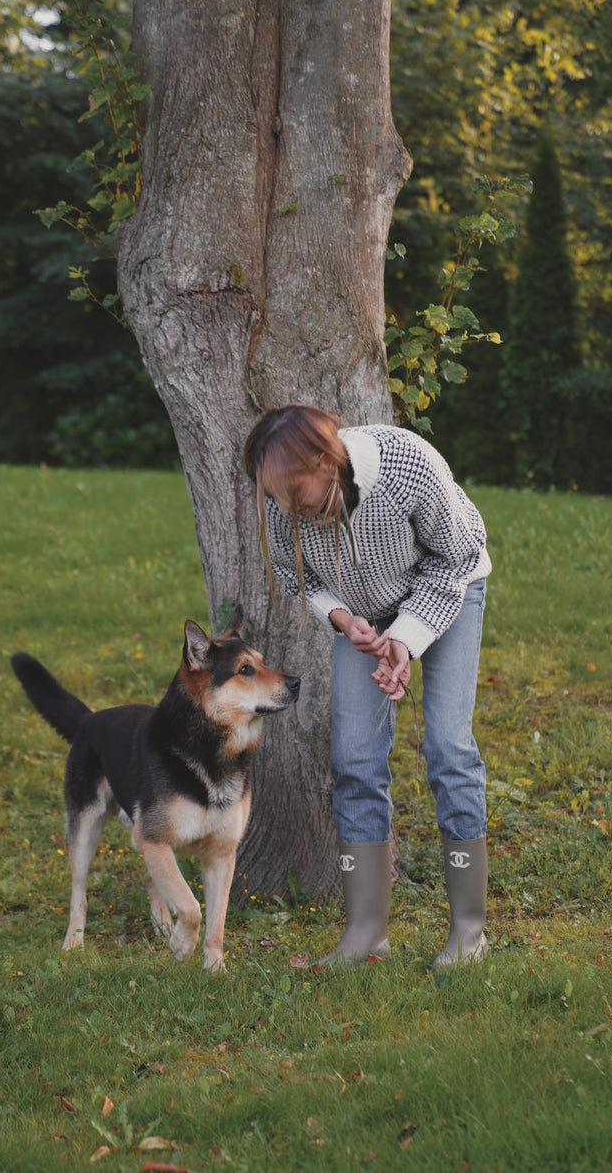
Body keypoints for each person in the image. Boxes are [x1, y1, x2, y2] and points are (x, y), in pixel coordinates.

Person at [243, 403, 492, 970]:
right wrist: (342, 619)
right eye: (273, 496)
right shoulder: (286, 501)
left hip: (450, 587)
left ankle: (469, 933)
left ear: (326, 461)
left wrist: (406, 636)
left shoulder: (406, 465)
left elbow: (456, 556)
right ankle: (365, 933)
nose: (283, 507)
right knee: (354, 758)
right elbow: (289, 572)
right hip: (361, 617)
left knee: (448, 748)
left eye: (291, 490)